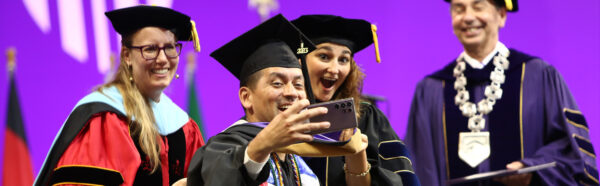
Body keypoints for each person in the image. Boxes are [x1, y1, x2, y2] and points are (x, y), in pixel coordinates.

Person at [404, 0, 598, 185]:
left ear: (502, 15)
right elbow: (418, 166)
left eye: (478, 7)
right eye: (459, 9)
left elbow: (570, 150)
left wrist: (532, 169)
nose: (468, 17)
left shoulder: (538, 76)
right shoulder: (431, 89)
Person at [186, 14, 367, 186]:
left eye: (298, 85)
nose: (291, 93)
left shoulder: (299, 161)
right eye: (278, 83)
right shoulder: (223, 149)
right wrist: (261, 146)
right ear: (246, 97)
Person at [34, 6, 205, 186]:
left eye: (169, 47)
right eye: (150, 49)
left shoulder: (184, 127)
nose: (162, 58)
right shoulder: (104, 120)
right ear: (126, 55)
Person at [291, 15, 419, 186]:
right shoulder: (280, 116)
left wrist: (357, 157)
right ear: (301, 61)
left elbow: (401, 179)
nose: (334, 69)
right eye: (324, 56)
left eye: (343, 59)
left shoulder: (366, 118)